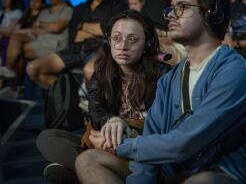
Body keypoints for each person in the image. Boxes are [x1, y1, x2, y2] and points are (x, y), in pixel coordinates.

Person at [75, 0, 246, 183]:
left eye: (182, 7)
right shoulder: (171, 77)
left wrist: (120, 146)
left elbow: (185, 143)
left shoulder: (233, 73)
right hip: (174, 171)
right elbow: (150, 142)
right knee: (88, 160)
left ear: (210, 12)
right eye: (170, 9)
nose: (171, 16)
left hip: (221, 174)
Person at [36, 10, 167, 183]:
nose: (122, 46)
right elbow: (96, 110)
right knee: (47, 138)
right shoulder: (102, 72)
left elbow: (166, 133)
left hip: (142, 154)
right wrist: (110, 121)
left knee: (86, 157)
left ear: (148, 44)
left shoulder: (164, 76)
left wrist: (122, 140)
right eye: (117, 38)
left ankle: (83, 170)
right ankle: (93, 167)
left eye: (133, 39)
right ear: (108, 41)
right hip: (108, 143)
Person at [26, 0, 128, 89]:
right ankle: (70, 96)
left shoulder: (119, 6)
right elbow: (73, 35)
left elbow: (113, 32)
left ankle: (86, 101)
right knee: (32, 69)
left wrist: (82, 26)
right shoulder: (80, 8)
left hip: (100, 49)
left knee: (90, 71)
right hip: (75, 49)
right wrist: (98, 31)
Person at [0, 0, 45, 92]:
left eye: (37, 1)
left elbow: (33, 30)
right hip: (21, 40)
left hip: (34, 39)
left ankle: (8, 69)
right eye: (32, 0)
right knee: (19, 56)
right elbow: (18, 27)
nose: (33, 3)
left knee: (14, 38)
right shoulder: (26, 14)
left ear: (42, 3)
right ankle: (17, 86)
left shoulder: (43, 15)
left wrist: (17, 31)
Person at [141, 0, 187, 66]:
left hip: (177, 51)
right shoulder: (149, 3)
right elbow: (141, 26)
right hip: (151, 49)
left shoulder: (183, 3)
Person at [0, 0, 23, 66]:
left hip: (8, 39)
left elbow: (9, 30)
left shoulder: (17, 12)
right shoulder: (0, 12)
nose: (4, 0)